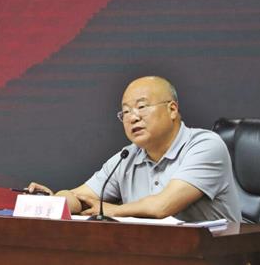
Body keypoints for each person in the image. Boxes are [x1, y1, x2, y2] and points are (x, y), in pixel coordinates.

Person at [26, 76, 241, 222]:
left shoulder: (205, 145)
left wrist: (114, 210)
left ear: (172, 109)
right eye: (126, 112)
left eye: (142, 107)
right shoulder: (127, 157)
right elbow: (79, 197)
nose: (133, 117)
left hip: (214, 260)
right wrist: (54, 201)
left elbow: (162, 207)